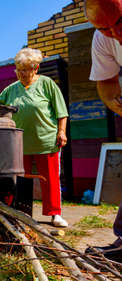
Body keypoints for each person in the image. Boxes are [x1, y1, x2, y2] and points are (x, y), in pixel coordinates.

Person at [0, 48, 69, 227]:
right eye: (18, 69)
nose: (21, 73)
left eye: (25, 69)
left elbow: (61, 111)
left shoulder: (47, 84)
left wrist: (61, 131)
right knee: (20, 180)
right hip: (20, 144)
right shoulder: (11, 90)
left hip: (46, 140)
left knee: (51, 178)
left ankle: (54, 214)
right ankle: (22, 214)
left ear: (35, 68)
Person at [85, 0, 122, 261]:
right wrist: (117, 104)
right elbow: (107, 83)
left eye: (119, 23)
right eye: (106, 28)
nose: (115, 34)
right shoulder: (103, 38)